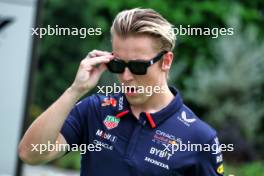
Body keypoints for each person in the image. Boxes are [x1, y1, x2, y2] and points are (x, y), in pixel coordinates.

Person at [19, 8, 224, 176]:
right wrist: (76, 89)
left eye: (138, 66)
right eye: (118, 65)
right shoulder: (95, 109)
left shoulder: (199, 138)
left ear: (166, 61)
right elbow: (31, 154)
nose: (126, 77)